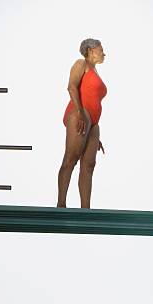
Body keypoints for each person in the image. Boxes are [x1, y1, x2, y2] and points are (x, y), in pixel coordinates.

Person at [57, 38, 107, 208]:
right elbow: (71, 87)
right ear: (91, 49)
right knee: (71, 158)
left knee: (89, 165)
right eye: (101, 49)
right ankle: (61, 204)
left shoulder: (96, 71)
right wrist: (79, 112)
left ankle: (85, 209)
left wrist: (93, 137)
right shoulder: (81, 64)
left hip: (93, 123)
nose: (104, 52)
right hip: (80, 113)